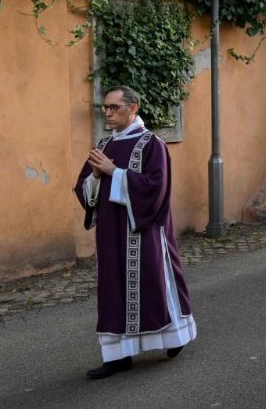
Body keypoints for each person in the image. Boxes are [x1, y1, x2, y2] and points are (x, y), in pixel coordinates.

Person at [74, 86, 197, 379]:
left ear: (132, 108)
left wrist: (114, 172)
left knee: (154, 285)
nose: (107, 113)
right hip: (110, 234)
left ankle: (174, 337)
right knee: (113, 290)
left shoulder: (152, 144)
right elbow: (84, 189)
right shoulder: (104, 144)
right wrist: (95, 176)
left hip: (143, 232)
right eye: (105, 108)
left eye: (113, 107)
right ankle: (118, 356)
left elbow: (156, 188)